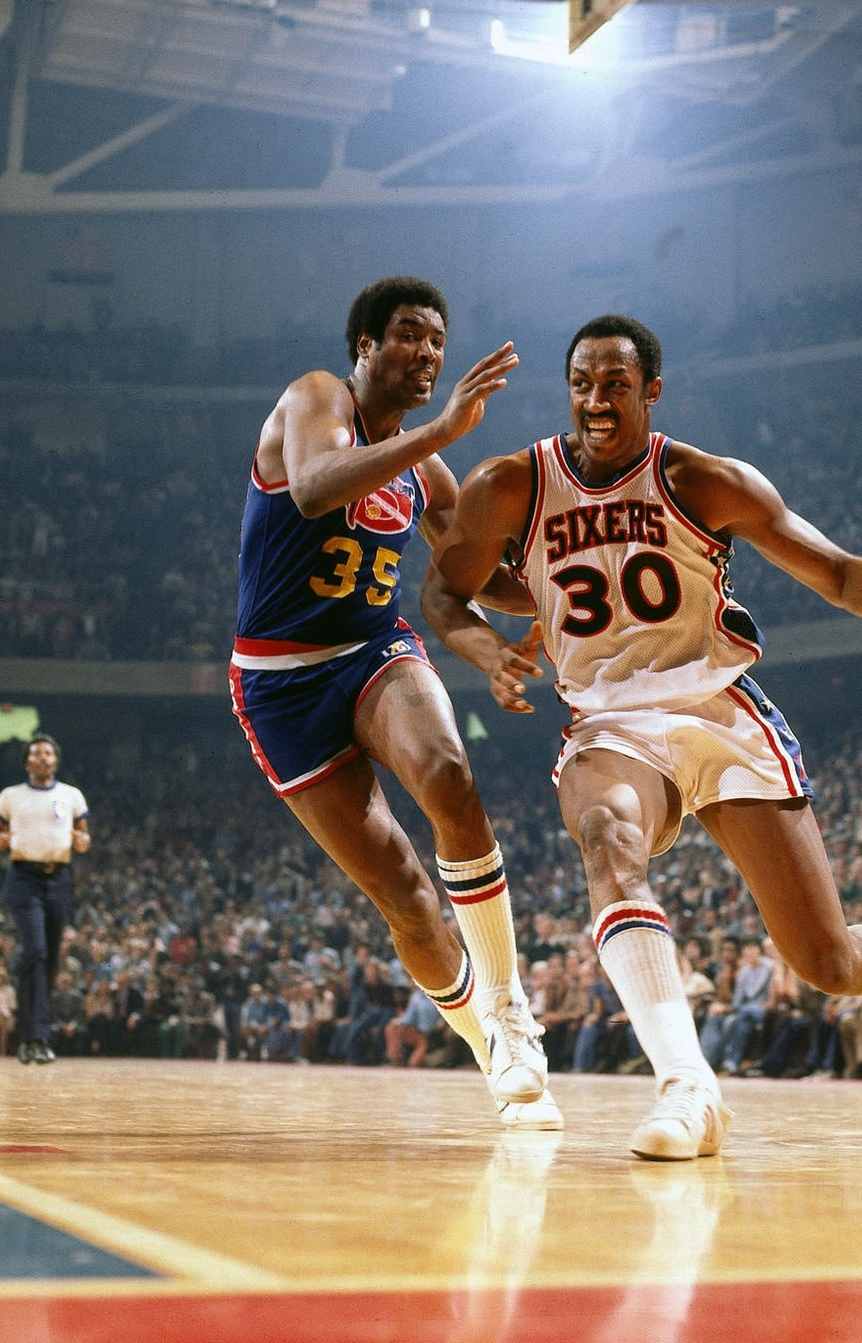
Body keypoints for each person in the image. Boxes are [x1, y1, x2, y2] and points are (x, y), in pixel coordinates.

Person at [423, 312, 862, 1160]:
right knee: (606, 836)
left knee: (826, 963)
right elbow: (444, 596)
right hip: (611, 723)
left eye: (615, 384)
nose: (596, 399)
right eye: (583, 383)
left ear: (651, 392)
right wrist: (488, 652)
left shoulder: (706, 480)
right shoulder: (510, 486)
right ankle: (688, 1087)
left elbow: (840, 571)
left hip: (718, 710)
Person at [228, 276, 558, 1128]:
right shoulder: (311, 397)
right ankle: (489, 1048)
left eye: (439, 341)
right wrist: (441, 433)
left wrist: (569, 590)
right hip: (278, 681)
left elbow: (479, 574)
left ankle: (512, 1011)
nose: (429, 354)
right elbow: (312, 489)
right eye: (410, 335)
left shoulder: (426, 469)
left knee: (447, 775)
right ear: (366, 346)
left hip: (375, 651)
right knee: (405, 898)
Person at [0, 734, 90, 1065]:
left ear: (56, 760)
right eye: (37, 753)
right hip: (23, 878)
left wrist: (82, 841)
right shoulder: (11, 796)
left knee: (47, 961)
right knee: (36, 952)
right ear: (27, 761)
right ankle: (36, 1036)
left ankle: (32, 1039)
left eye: (48, 753)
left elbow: (84, 837)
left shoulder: (70, 795)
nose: (43, 758)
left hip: (58, 877)